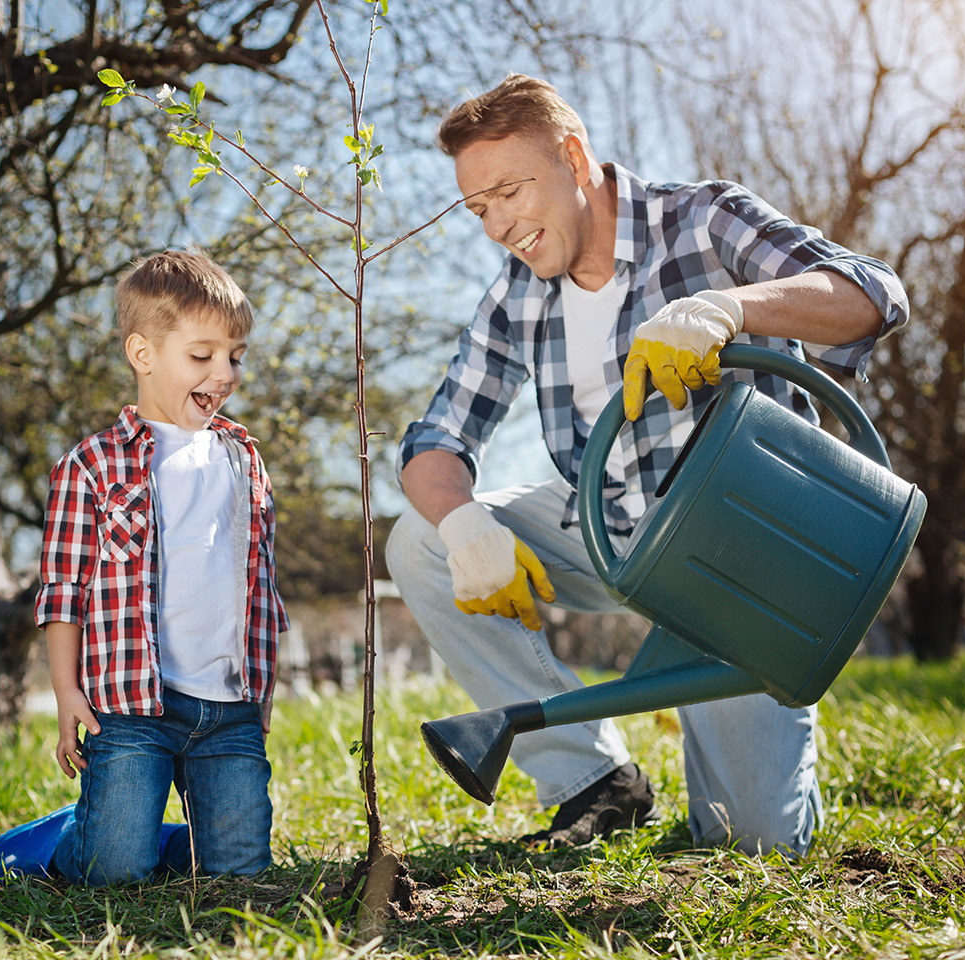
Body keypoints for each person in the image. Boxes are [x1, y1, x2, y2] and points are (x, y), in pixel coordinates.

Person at [387, 74, 909, 857]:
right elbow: (436, 438)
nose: (497, 224)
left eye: (508, 191)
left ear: (572, 156)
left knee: (752, 843)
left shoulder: (700, 220)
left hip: (740, 560)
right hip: (610, 537)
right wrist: (463, 523)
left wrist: (730, 308)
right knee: (419, 542)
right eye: (477, 207)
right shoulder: (517, 296)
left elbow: (871, 294)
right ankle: (593, 781)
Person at [0, 250, 288, 885]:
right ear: (142, 354)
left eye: (235, 355)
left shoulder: (245, 462)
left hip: (226, 709)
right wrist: (66, 692)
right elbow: (64, 591)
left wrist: (262, 690)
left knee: (241, 877)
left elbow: (261, 591)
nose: (224, 373)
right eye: (202, 356)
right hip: (129, 707)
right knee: (115, 871)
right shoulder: (90, 466)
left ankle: (154, 832)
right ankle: (63, 840)